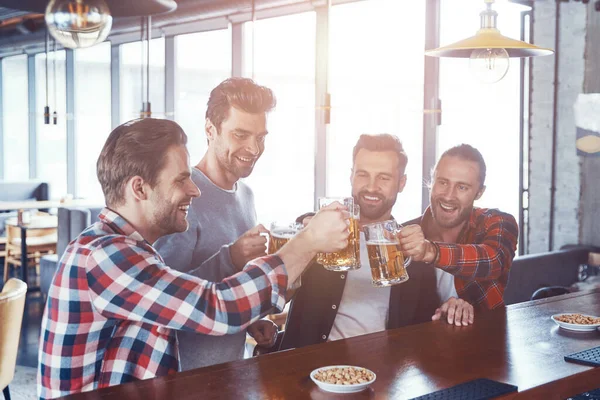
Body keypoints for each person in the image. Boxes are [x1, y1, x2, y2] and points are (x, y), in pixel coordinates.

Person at [37, 118, 350, 399]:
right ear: (139, 188)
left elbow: (189, 304)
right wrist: (307, 242)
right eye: (180, 180)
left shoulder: (125, 250)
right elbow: (219, 307)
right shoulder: (105, 257)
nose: (195, 191)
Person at [280, 134, 472, 351]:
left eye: (384, 178)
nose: (371, 187)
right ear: (351, 176)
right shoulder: (313, 229)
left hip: (390, 376)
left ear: (401, 183)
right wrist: (306, 242)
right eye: (363, 174)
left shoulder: (420, 247)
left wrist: (457, 306)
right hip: (311, 371)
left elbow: (451, 305)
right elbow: (276, 297)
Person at [154, 78, 278, 370]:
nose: (254, 148)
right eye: (240, 134)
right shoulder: (183, 195)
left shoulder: (246, 196)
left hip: (230, 372)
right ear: (210, 130)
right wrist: (231, 257)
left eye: (260, 136)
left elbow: (228, 292)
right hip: (184, 379)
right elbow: (163, 298)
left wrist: (252, 320)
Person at [398, 144, 519, 312]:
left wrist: (430, 251)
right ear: (431, 182)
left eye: (462, 187)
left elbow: (493, 261)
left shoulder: (497, 222)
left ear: (479, 193)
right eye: (442, 182)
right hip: (421, 336)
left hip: (485, 335)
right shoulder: (405, 233)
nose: (448, 196)